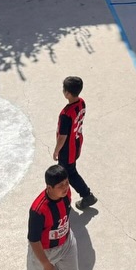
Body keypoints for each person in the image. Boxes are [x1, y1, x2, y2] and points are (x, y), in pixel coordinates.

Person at [23, 165, 79, 270]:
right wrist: (46, 264)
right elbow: (34, 240)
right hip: (44, 251)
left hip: (66, 243)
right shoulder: (38, 210)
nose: (65, 187)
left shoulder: (66, 194)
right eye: (60, 185)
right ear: (49, 187)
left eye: (66, 182)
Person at [54, 76, 97, 210]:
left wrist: (56, 151)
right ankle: (66, 196)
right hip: (76, 144)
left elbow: (62, 137)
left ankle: (86, 195)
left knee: (69, 174)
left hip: (67, 150)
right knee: (67, 172)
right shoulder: (81, 102)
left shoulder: (66, 114)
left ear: (67, 93)